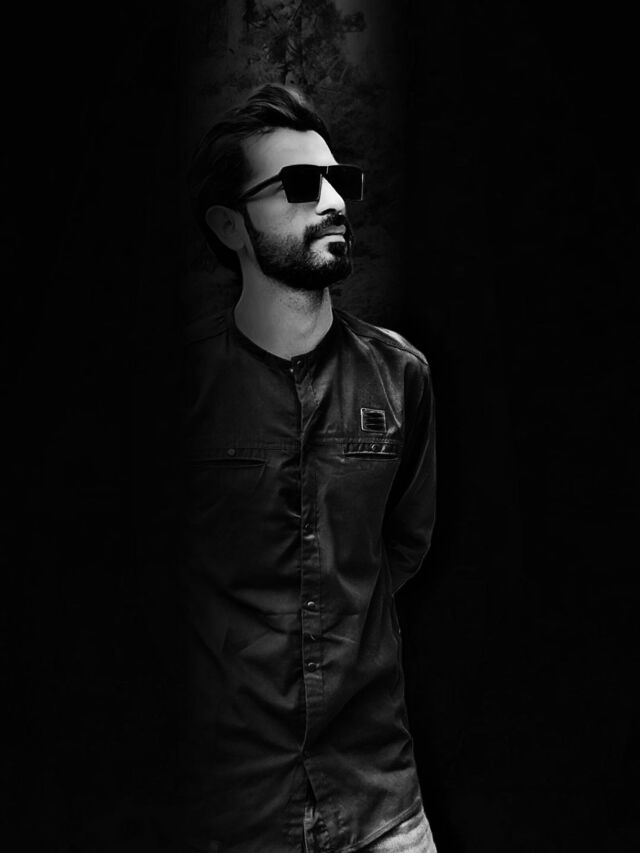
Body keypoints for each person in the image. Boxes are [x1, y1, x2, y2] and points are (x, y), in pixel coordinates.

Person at [180, 83, 437, 853]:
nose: (332, 202)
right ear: (230, 225)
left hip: (381, 804)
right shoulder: (184, 389)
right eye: (298, 185)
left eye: (338, 180)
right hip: (230, 809)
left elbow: (404, 545)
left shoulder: (400, 376)